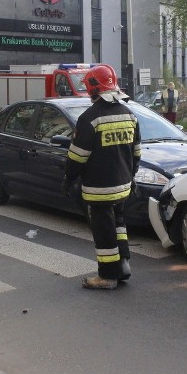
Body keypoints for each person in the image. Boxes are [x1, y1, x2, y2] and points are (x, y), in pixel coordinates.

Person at [63, 64, 140, 290]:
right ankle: (123, 265)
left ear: (93, 89)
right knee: (119, 225)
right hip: (123, 185)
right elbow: (136, 153)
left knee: (104, 231)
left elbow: (78, 156)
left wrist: (69, 178)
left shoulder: (90, 118)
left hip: (99, 188)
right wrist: (131, 176)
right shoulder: (130, 115)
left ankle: (107, 276)